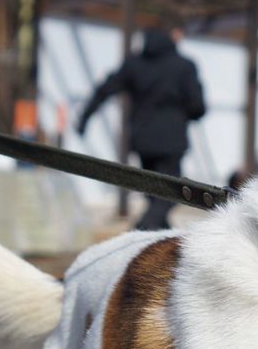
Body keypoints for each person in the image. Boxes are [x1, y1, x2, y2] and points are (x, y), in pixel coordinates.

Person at [77, 22, 206, 230]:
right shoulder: (184, 66)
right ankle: (141, 230)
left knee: (155, 194)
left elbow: (105, 89)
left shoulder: (134, 64)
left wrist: (84, 118)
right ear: (174, 34)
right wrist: (184, 112)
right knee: (170, 194)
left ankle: (157, 238)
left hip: (143, 140)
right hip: (171, 140)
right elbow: (198, 106)